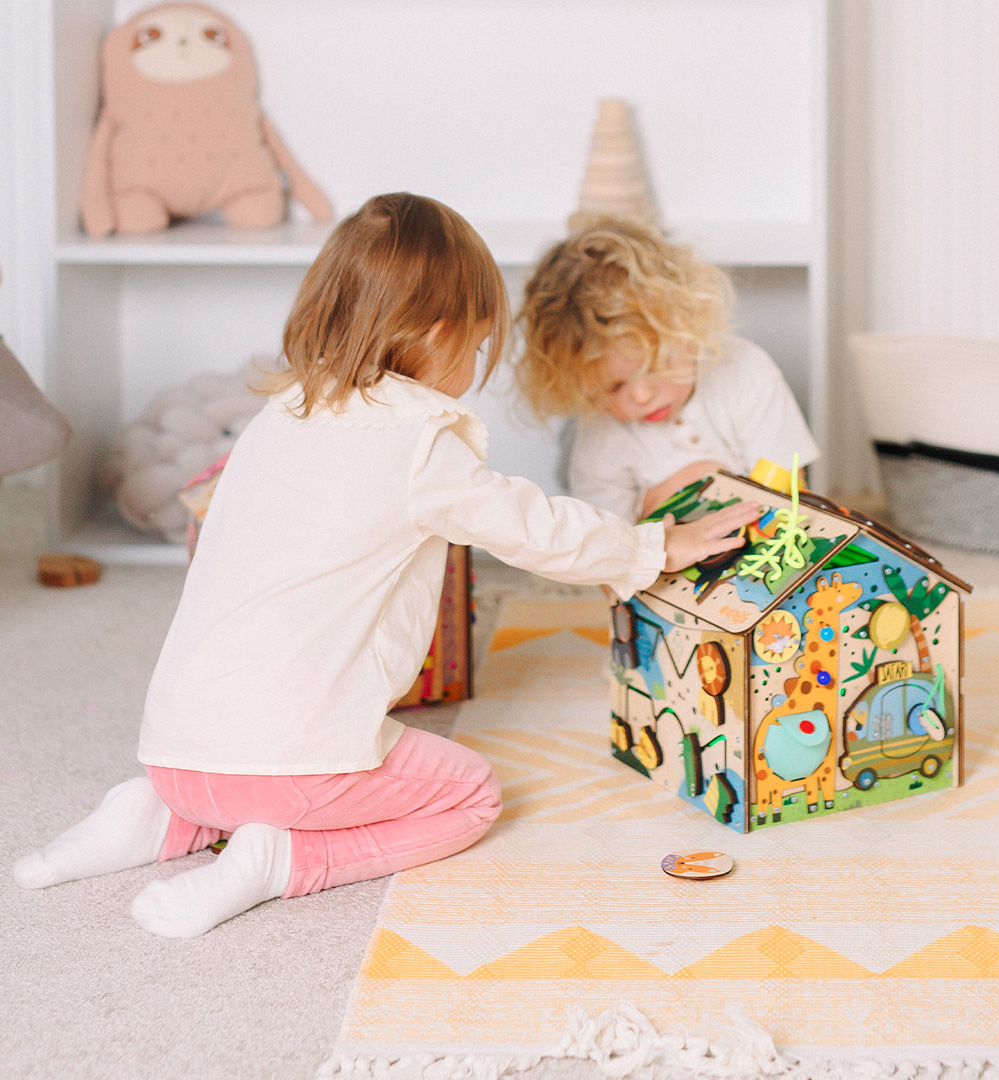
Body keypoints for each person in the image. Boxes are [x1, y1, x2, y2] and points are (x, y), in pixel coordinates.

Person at [12, 193, 759, 937]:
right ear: (436, 333)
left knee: (235, 771)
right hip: (287, 768)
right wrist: (654, 547)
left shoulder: (281, 416)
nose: (473, 361)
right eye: (475, 345)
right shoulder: (417, 445)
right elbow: (534, 527)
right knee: (470, 798)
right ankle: (283, 863)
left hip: (174, 754)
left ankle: (152, 817)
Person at [515, 218, 819, 523]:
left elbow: (787, 492)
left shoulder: (745, 372)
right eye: (614, 387)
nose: (643, 395)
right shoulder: (598, 442)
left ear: (687, 327)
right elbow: (609, 548)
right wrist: (657, 511)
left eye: (655, 365)